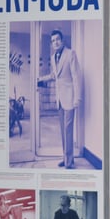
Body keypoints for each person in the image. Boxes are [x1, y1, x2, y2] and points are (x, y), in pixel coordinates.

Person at [38, 29, 82, 169]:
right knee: (63, 132)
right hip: (59, 100)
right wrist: (41, 78)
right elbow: (54, 75)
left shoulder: (71, 54)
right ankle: (66, 158)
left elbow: (76, 77)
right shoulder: (53, 57)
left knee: (68, 131)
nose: (55, 42)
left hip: (69, 98)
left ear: (62, 40)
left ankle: (69, 163)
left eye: (57, 39)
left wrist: (77, 98)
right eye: (52, 41)